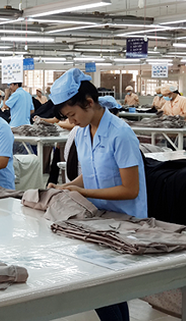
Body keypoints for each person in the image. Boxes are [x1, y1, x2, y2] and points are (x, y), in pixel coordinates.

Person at [48, 68, 148, 321]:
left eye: (72, 114)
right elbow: (91, 173)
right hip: (97, 217)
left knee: (110, 289)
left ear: (89, 103)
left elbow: (130, 189)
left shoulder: (120, 133)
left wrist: (83, 190)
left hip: (125, 222)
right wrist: (69, 186)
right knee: (98, 287)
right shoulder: (82, 131)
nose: (71, 121)